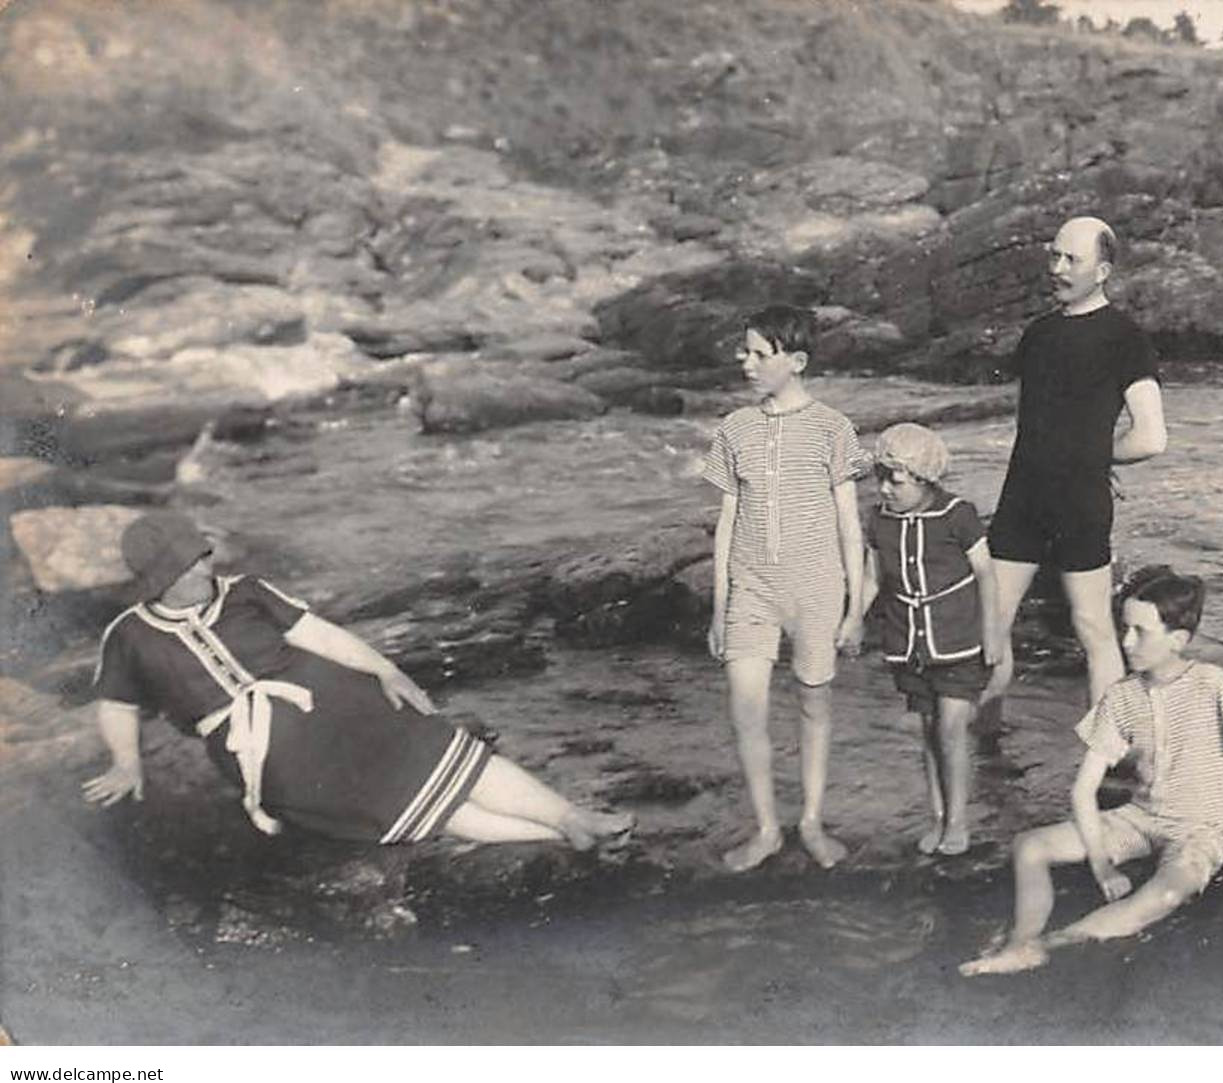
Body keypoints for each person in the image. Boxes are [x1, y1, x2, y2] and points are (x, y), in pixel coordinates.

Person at [83, 511, 635, 850]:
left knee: (448, 756)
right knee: (415, 804)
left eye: (202, 557)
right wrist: (126, 762)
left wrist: (386, 670)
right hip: (268, 750)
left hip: (339, 700)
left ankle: (573, 816)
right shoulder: (130, 636)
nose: (204, 569)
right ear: (158, 580)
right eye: (186, 568)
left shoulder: (247, 591)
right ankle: (562, 835)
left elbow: (321, 637)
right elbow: (116, 703)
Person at [961, 567, 1223, 976]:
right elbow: (1082, 791)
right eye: (1125, 628)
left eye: (1141, 632)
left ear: (1178, 640)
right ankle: (1019, 942)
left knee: (1166, 894)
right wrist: (1102, 865)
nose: (1126, 642)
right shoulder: (1122, 696)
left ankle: (1049, 944)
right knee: (1030, 846)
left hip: (1200, 829)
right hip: (1139, 819)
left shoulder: (1213, 684)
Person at [703, 304, 871, 871]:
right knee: (744, 709)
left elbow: (851, 523)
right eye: (743, 351)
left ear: (795, 361)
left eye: (758, 353)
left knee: (813, 703)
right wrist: (720, 604)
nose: (744, 362)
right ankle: (768, 828)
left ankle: (812, 821)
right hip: (750, 587)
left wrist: (854, 606)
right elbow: (727, 521)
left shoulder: (833, 428)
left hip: (816, 587)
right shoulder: (735, 428)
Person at [982, 216, 1166, 720]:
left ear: (1103, 270)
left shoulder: (1125, 338)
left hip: (1077, 504)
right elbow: (1045, 421)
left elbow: (1152, 437)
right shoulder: (1039, 334)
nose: (1057, 269)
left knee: (1093, 629)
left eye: (1072, 260)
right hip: (1022, 499)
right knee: (991, 624)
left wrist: (1088, 457)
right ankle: (988, 750)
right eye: (1054, 256)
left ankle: (1108, 754)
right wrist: (1083, 453)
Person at [859, 423, 1001, 856]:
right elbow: (872, 577)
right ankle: (936, 815)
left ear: (925, 478)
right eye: (880, 478)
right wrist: (851, 620)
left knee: (953, 728)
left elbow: (987, 575)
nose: (884, 488)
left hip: (959, 639)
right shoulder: (879, 520)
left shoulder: (958, 514)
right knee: (926, 729)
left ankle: (958, 821)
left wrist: (994, 636)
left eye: (895, 480)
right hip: (908, 643)